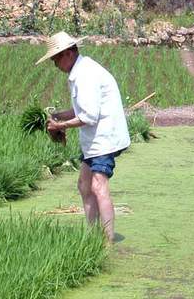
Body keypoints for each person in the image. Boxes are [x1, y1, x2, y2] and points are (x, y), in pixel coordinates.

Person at [36, 31, 130, 242]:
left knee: (98, 185)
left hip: (104, 138)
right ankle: (91, 235)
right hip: (95, 139)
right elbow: (81, 109)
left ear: (68, 53)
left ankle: (106, 241)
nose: (55, 64)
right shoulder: (80, 71)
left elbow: (88, 116)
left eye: (56, 59)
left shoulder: (86, 75)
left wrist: (61, 125)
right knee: (84, 185)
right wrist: (57, 115)